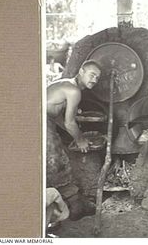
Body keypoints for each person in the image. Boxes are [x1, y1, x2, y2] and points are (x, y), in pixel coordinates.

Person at [46, 59, 101, 201]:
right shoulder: (74, 90)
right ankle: (71, 202)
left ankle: (60, 201)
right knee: (56, 160)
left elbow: (57, 117)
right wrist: (80, 140)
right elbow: (69, 123)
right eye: (92, 74)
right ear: (81, 71)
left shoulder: (67, 83)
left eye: (97, 77)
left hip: (45, 119)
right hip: (39, 120)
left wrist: (75, 135)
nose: (95, 79)